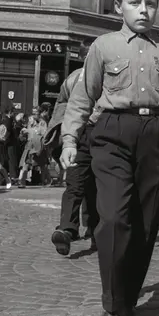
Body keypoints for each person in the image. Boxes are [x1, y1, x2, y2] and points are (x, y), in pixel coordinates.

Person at [61, 0, 159, 316]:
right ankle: (111, 307)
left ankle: (127, 301)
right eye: (135, 2)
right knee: (113, 219)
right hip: (112, 132)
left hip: (156, 134)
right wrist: (69, 139)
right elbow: (83, 97)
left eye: (150, 3)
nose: (143, 9)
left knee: (145, 223)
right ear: (119, 6)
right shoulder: (103, 46)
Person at [45, 67, 101, 255]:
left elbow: (61, 104)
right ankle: (69, 230)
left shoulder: (78, 76)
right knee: (79, 183)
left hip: (91, 132)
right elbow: (62, 104)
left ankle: (89, 230)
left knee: (89, 185)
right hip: (82, 132)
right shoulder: (77, 76)